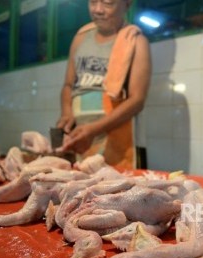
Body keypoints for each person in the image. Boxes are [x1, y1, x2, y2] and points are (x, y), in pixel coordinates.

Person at [56, 0, 151, 170]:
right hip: (81, 138)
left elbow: (137, 100)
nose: (97, 10)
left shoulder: (135, 41)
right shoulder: (80, 38)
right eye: (93, 2)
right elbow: (68, 85)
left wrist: (94, 130)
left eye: (108, 3)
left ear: (127, 4)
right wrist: (66, 112)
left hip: (116, 142)